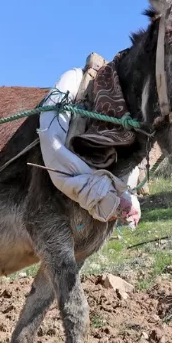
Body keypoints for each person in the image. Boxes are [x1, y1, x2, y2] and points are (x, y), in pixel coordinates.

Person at [38, 67, 141, 227]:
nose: (122, 211)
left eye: (119, 211)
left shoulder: (64, 175)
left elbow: (51, 141)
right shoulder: (123, 185)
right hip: (76, 79)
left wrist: (123, 201)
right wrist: (127, 201)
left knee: (50, 137)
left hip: (74, 78)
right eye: (122, 211)